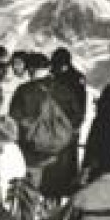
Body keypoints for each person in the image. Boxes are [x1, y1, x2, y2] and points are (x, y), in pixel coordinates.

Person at [8, 48, 87, 199]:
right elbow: (77, 117)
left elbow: (13, 120)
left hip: (32, 153)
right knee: (54, 192)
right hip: (60, 152)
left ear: (31, 70)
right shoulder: (65, 90)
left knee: (28, 194)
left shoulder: (24, 90)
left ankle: (28, 219)